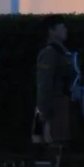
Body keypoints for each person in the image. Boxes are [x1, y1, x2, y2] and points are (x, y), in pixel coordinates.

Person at [33, 17, 76, 149]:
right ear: (51, 31)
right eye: (61, 27)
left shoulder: (62, 52)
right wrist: (43, 113)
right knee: (54, 146)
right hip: (54, 107)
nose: (65, 30)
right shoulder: (50, 53)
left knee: (60, 144)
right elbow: (44, 84)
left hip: (62, 104)